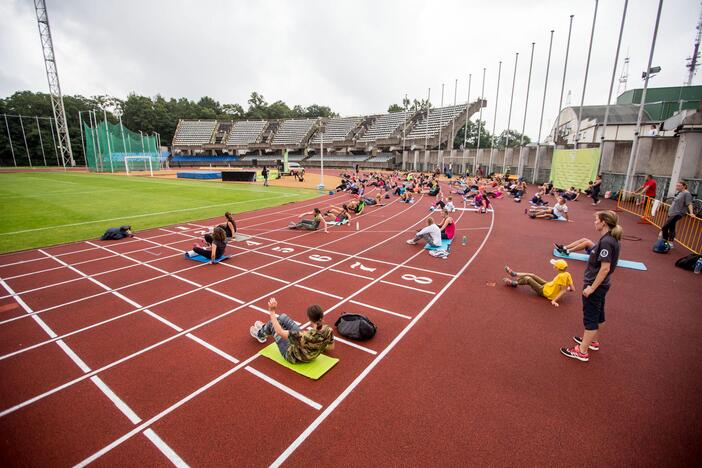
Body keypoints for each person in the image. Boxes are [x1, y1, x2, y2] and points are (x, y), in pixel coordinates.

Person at [561, 210, 621, 362]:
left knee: (591, 317)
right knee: (599, 314)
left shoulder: (607, 241)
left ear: (604, 223)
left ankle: (582, 352)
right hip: (602, 284)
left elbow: (605, 268)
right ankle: (592, 341)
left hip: (596, 285)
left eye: (596, 220)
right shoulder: (610, 239)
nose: (595, 222)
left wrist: (591, 288)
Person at [250, 298, 334, 363]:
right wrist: (318, 344)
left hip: (292, 355)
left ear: (309, 318)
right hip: (309, 351)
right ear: (322, 316)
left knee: (273, 324)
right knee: (283, 317)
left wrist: (272, 311)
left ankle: (261, 334)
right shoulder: (329, 330)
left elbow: (279, 332)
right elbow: (331, 347)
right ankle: (264, 328)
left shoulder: (304, 336)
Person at [502, 259, 574, 307]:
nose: (554, 265)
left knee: (528, 279)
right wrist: (567, 288)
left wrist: (554, 300)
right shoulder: (567, 274)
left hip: (545, 292)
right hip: (548, 285)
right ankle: (514, 274)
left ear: (557, 267)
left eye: (555, 264)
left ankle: (514, 283)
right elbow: (573, 289)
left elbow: (563, 290)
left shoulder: (561, 277)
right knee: (532, 275)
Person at [660, 181, 695, 248]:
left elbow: (689, 203)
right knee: (671, 227)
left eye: (679, 186)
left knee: (665, 227)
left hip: (677, 213)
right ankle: (670, 243)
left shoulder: (687, 193)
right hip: (672, 212)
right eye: (677, 185)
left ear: (684, 186)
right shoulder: (680, 193)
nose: (677, 187)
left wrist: (691, 213)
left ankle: (665, 241)